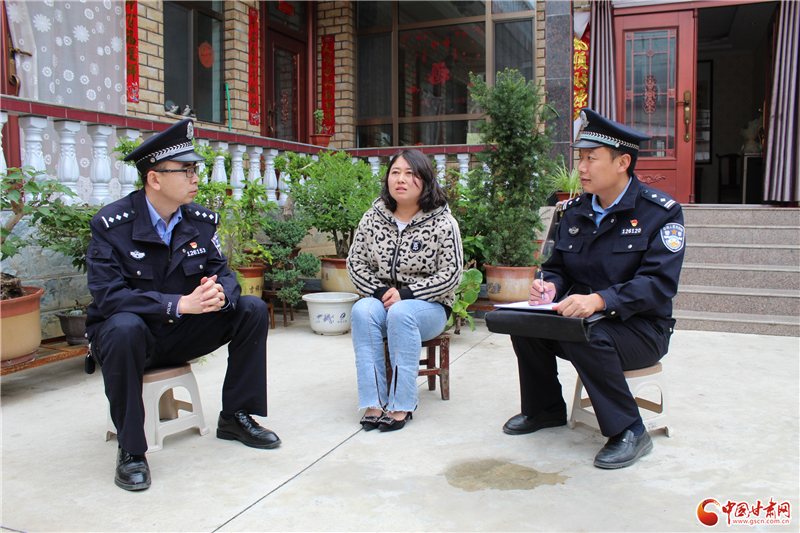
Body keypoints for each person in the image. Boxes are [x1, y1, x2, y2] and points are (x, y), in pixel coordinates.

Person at [85, 119, 278, 492]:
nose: (195, 178)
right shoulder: (111, 225)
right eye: (186, 170)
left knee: (250, 309)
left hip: (179, 334)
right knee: (124, 327)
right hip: (130, 340)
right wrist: (178, 304)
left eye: (195, 170)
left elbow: (225, 275)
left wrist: (221, 294)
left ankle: (235, 416)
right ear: (154, 179)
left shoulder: (200, 222)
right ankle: (132, 450)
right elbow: (109, 296)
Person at [503, 108, 685, 468]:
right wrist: (550, 288)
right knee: (525, 323)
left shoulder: (661, 213)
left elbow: (658, 284)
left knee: (585, 332)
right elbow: (556, 268)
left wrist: (600, 300)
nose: (581, 168)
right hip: (582, 319)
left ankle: (629, 430)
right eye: (580, 158)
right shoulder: (573, 211)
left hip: (641, 328)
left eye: (591, 158)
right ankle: (545, 408)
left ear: (622, 163)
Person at [347, 149, 463, 432]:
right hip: (382, 298)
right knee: (362, 311)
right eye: (395, 172)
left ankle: (402, 404)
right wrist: (379, 292)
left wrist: (407, 294)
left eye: (410, 174)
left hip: (428, 307)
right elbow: (355, 263)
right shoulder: (373, 218)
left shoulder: (443, 222)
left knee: (401, 313)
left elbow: (451, 274)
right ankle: (374, 402)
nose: (401, 179)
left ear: (426, 180)